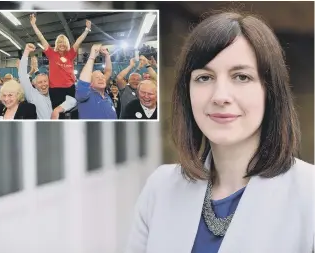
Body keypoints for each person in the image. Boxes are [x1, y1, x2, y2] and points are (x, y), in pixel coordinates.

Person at [125, 11, 314, 253]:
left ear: (271, 91)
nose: (220, 96)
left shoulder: (309, 193)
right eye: (204, 78)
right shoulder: (160, 188)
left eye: (241, 77)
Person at [30, 13, 91, 111]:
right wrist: (34, 25)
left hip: (70, 88)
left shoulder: (70, 54)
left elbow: (78, 41)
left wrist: (87, 30)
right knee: (56, 112)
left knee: (72, 112)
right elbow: (42, 38)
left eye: (63, 42)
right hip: (55, 89)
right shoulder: (51, 53)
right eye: (59, 42)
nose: (62, 44)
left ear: (66, 43)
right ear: (57, 44)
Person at [19, 43, 76, 120]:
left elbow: (73, 101)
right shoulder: (32, 95)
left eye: (45, 81)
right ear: (34, 85)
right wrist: (26, 52)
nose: (43, 84)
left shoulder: (53, 93)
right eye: (40, 82)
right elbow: (22, 75)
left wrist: (57, 109)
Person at [75, 44, 116, 119]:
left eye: (102, 77)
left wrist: (107, 55)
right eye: (97, 77)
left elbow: (108, 72)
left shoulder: (106, 96)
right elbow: (84, 80)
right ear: (90, 83)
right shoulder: (85, 95)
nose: (101, 79)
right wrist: (92, 56)